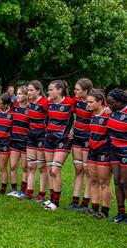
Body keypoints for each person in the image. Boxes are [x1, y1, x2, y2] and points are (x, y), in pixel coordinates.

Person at [43, 80, 75, 211]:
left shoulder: (70, 102)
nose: (49, 92)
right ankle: (51, 198)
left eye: (51, 90)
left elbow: (85, 112)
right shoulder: (48, 103)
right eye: (48, 90)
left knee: (55, 170)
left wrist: (73, 129)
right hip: (49, 138)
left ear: (59, 90)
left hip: (64, 139)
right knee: (50, 170)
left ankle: (56, 202)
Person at [20, 80, 49, 201]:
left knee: (42, 167)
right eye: (28, 90)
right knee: (30, 166)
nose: (29, 92)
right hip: (31, 135)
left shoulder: (45, 102)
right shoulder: (30, 102)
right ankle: (29, 192)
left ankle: (42, 194)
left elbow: (52, 117)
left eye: (31, 90)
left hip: (42, 136)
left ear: (38, 90)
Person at [84, 91, 112, 218]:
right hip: (92, 149)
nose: (88, 104)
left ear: (100, 102)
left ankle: (105, 211)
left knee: (104, 181)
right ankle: (94, 207)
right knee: (93, 179)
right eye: (87, 102)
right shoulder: (92, 114)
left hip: (104, 150)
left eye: (91, 102)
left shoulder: (108, 114)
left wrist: (110, 110)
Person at [69, 78, 93, 210]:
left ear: (86, 91)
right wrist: (72, 128)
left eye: (78, 89)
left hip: (88, 138)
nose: (75, 91)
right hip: (77, 136)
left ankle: (85, 202)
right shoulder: (76, 100)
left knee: (87, 170)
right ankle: (75, 200)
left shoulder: (93, 100)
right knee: (78, 169)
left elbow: (103, 112)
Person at [106, 89, 127, 223]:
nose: (109, 106)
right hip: (114, 151)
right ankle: (120, 213)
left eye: (112, 103)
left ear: (120, 102)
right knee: (117, 182)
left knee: (125, 183)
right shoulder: (112, 113)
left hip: (125, 151)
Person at [8, 86, 29, 197]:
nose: (18, 96)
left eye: (20, 94)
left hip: (25, 140)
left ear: (26, 95)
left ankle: (23, 191)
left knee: (25, 167)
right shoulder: (14, 106)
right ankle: (13, 189)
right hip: (14, 140)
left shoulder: (30, 108)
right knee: (13, 166)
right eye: (17, 93)